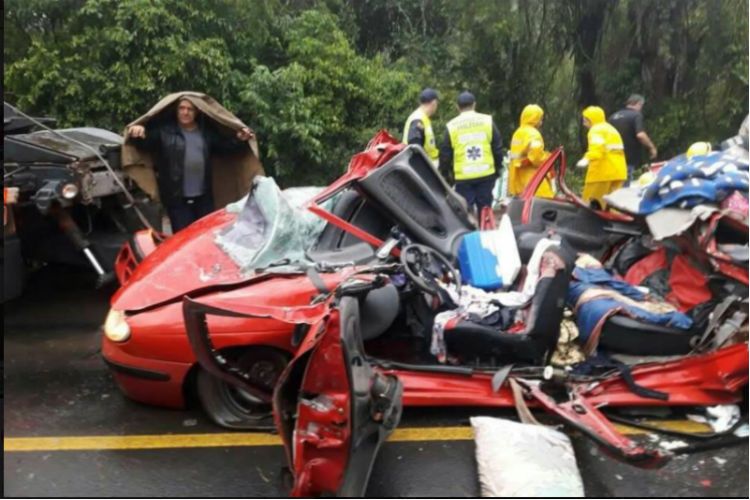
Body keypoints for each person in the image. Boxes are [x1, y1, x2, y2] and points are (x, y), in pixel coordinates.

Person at [126, 98, 254, 232]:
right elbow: (144, 144)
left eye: (190, 109)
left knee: (205, 236)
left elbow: (225, 149)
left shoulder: (206, 133)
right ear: (176, 111)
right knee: (182, 240)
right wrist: (138, 132)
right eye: (181, 108)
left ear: (197, 111)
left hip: (204, 199)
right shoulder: (165, 132)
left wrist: (239, 139)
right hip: (177, 200)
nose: (185, 112)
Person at [439, 92, 503, 214]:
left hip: (464, 177)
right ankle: (486, 231)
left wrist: (446, 175)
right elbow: (497, 148)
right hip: (486, 174)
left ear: (457, 107)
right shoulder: (487, 121)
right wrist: (498, 167)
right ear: (474, 105)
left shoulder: (452, 126)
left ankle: (470, 232)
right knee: (485, 213)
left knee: (466, 214)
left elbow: (445, 155)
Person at [576, 106, 628, 209]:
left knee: (591, 203)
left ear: (591, 119)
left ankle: (588, 224)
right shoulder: (610, 129)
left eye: (585, 119)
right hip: (619, 171)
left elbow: (597, 149)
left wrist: (586, 158)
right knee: (614, 205)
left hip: (602, 172)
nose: (584, 122)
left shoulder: (595, 130)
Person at [609, 94, 657, 184]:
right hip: (628, 157)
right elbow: (640, 135)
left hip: (612, 157)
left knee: (614, 185)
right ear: (638, 104)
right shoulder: (636, 115)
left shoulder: (613, 116)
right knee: (624, 184)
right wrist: (652, 147)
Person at [508, 104, 553, 198]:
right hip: (532, 176)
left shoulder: (518, 133)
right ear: (534, 118)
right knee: (544, 201)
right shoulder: (534, 134)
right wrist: (548, 158)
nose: (541, 121)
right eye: (540, 118)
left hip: (518, 177)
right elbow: (536, 157)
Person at [403, 88, 440, 166]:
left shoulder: (423, 118)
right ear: (434, 103)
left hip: (425, 166)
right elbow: (415, 146)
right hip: (421, 167)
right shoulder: (418, 119)